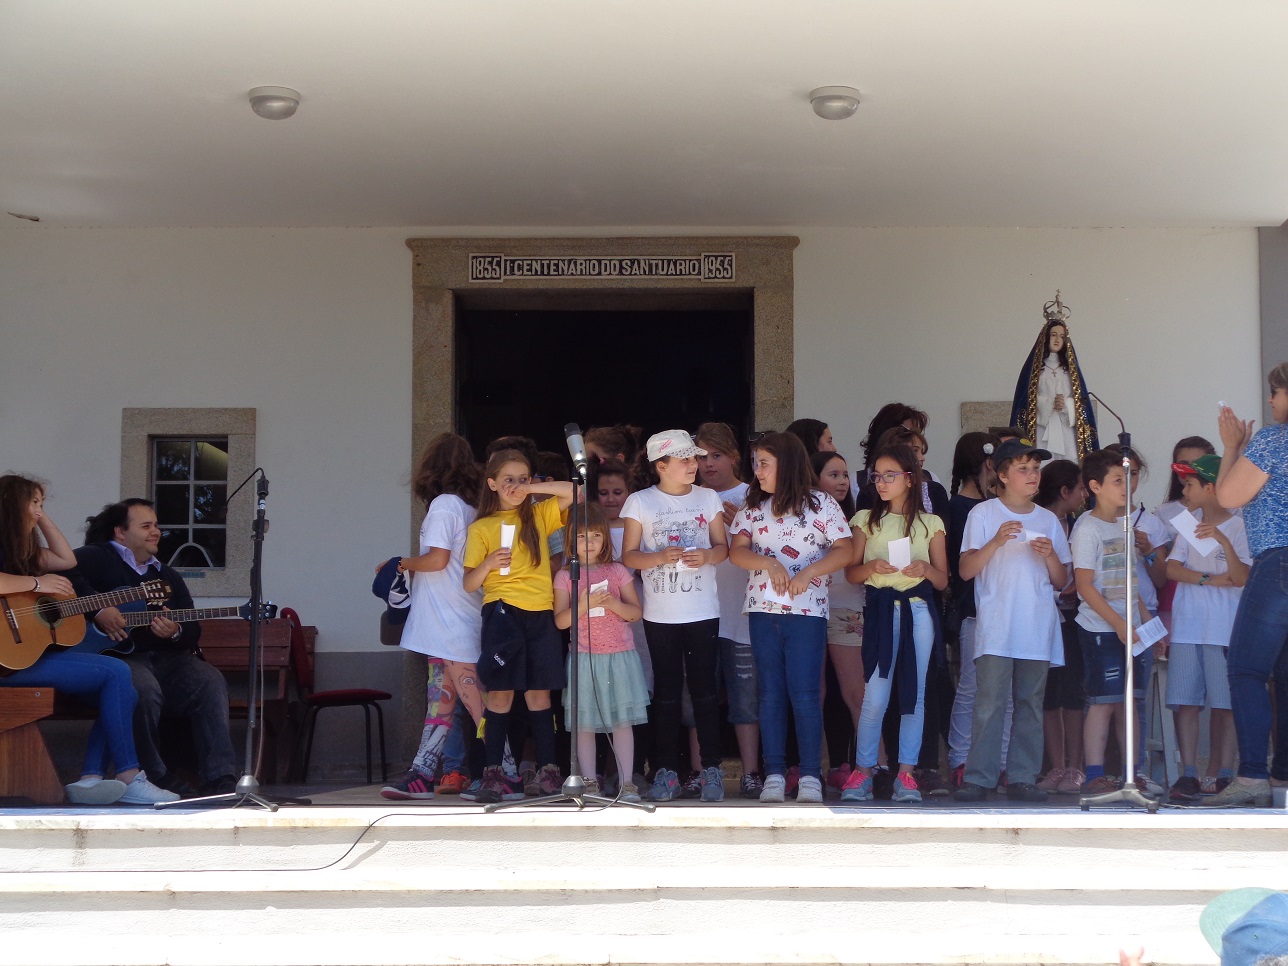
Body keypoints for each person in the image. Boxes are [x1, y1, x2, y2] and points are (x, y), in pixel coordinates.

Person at [0, 475, 177, 805]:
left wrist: (41, 516)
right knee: (117, 673)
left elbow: (67, 560)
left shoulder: (23, 553)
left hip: (24, 658)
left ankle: (91, 779)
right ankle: (128, 776)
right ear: (11, 504)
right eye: (34, 502)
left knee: (123, 684)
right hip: (6, 665)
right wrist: (37, 585)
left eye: (42, 504)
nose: (39, 510)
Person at [381, 433, 519, 801]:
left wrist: (399, 563)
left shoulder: (443, 505)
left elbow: (437, 560)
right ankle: (422, 772)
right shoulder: (470, 509)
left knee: (476, 705)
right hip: (458, 618)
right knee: (442, 703)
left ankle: (507, 774)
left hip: (449, 622)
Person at [73, 498, 236, 797]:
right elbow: (63, 576)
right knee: (141, 688)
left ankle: (219, 777)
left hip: (166, 658)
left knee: (209, 680)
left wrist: (175, 632)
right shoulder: (96, 557)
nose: (156, 532)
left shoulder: (167, 576)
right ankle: (154, 775)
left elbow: (192, 629)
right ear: (120, 532)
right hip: (114, 657)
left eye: (156, 525)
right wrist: (99, 610)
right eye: (146, 525)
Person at [729, 433, 852, 804]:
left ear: (787, 464)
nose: (758, 471)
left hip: (807, 612)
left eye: (764, 463)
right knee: (770, 693)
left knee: (805, 692)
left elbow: (844, 549)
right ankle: (774, 774)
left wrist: (808, 572)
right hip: (763, 611)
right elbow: (737, 551)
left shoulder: (821, 504)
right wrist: (768, 562)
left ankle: (811, 775)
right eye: (756, 463)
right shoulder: (753, 505)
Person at [953, 439, 1072, 803]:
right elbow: (966, 570)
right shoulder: (983, 514)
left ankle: (1022, 776)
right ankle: (979, 777)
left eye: (1035, 469)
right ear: (1002, 475)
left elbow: (1062, 581)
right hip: (997, 624)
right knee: (989, 702)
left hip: (1036, 625)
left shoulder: (1048, 519)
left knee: (1030, 703)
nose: (1033, 475)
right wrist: (995, 542)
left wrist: (1050, 555)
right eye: (1023, 469)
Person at [621, 430, 729, 802]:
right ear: (661, 465)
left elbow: (722, 547)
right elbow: (629, 556)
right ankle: (665, 770)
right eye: (684, 459)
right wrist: (657, 557)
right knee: (665, 692)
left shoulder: (708, 497)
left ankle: (711, 769)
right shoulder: (640, 501)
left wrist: (708, 555)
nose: (693, 465)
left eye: (694, 458)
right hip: (660, 614)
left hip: (702, 610)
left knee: (704, 690)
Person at [462, 448, 574, 804]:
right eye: (508, 479)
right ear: (492, 483)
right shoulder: (481, 527)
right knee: (501, 694)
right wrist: (488, 564)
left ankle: (549, 773)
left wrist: (533, 489)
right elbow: (468, 582)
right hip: (501, 613)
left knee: (539, 694)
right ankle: (493, 774)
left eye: (522, 478)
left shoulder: (539, 514)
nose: (515, 486)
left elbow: (576, 492)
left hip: (540, 612)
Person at [840, 444, 948, 804]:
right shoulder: (865, 520)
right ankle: (864, 771)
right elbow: (851, 573)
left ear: (909, 478)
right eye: (877, 476)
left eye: (890, 475)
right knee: (876, 694)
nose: (881, 482)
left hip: (918, 610)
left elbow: (943, 580)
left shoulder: (930, 524)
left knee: (915, 693)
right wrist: (871, 567)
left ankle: (906, 774)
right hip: (882, 611)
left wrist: (925, 569)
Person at [1206, 362, 1288, 807]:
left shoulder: (1274, 440)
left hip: (1279, 562)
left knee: (1246, 669)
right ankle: (1283, 776)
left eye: (1275, 392)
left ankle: (1253, 775)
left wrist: (1232, 447)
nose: (1271, 400)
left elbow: (1227, 497)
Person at [1164, 455, 1249, 803]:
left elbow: (1241, 577)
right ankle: (1189, 773)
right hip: (1187, 626)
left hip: (1224, 629)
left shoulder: (1240, 526)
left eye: (1190, 485)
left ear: (1210, 487)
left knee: (1225, 705)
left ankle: (1224, 773)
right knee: (1185, 702)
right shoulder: (1189, 524)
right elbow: (1171, 568)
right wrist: (1209, 579)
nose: (1184, 491)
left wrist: (1223, 541)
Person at [1071, 448, 1154, 795]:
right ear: (1095, 486)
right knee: (1104, 701)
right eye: (1118, 480)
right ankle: (1094, 773)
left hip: (1130, 628)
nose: (1127, 486)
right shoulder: (1087, 528)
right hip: (1101, 629)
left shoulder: (1125, 525)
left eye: (1130, 478)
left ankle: (1132, 772)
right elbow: (1084, 585)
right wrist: (1118, 623)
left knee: (1129, 702)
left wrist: (1146, 622)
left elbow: (1130, 581)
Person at [553, 503, 648, 803]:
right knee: (584, 724)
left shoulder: (617, 571)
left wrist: (612, 604)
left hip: (620, 656)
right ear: (570, 539)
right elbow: (560, 620)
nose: (589, 542)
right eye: (581, 536)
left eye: (596, 535)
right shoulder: (565, 576)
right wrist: (583, 604)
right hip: (584, 658)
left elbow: (635, 613)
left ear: (606, 537)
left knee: (622, 721)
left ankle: (627, 782)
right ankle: (589, 782)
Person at [694, 421, 760, 799]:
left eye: (716, 455)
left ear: (735, 457)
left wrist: (742, 528)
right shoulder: (687, 497)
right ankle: (699, 772)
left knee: (745, 698)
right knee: (696, 698)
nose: (708, 464)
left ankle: (751, 772)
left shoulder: (752, 495)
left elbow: (774, 549)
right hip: (697, 611)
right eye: (701, 456)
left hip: (741, 613)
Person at [944, 432, 1006, 788]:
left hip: (1002, 607)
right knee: (970, 685)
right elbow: (959, 564)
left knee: (1002, 691)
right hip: (972, 605)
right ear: (987, 463)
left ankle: (1000, 761)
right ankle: (960, 759)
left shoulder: (997, 507)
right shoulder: (958, 507)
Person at [811, 449, 866, 793]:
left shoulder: (857, 520)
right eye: (833, 475)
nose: (843, 481)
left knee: (856, 693)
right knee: (813, 693)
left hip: (847, 609)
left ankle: (869, 767)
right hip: (809, 609)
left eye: (845, 475)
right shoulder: (800, 517)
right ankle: (811, 770)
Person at [1034, 459, 1088, 795]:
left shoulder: (1081, 524)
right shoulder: (1037, 521)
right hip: (1043, 617)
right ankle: (1056, 766)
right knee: (1049, 696)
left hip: (1074, 620)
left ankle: (1075, 767)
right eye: (1080, 488)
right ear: (1065, 491)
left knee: (1073, 694)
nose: (1085, 494)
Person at [1009, 292, 1098, 463]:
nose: (1058, 340)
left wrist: (1066, 404)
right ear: (1046, 337)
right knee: (1043, 461)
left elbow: (1081, 400)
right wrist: (1049, 403)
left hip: (1066, 428)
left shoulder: (1070, 371)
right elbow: (1025, 401)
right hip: (1042, 427)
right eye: (1054, 335)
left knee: (1069, 463)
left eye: (1062, 336)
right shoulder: (1034, 370)